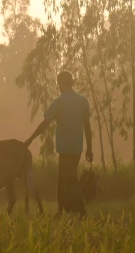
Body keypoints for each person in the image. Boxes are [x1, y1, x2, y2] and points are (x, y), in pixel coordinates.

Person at [24, 70, 93, 215]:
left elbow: (45, 124)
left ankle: (81, 211)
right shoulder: (82, 101)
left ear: (61, 84)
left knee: (70, 178)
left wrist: (31, 138)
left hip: (65, 147)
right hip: (77, 147)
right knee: (62, 178)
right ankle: (60, 210)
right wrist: (89, 149)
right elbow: (87, 127)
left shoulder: (59, 102)